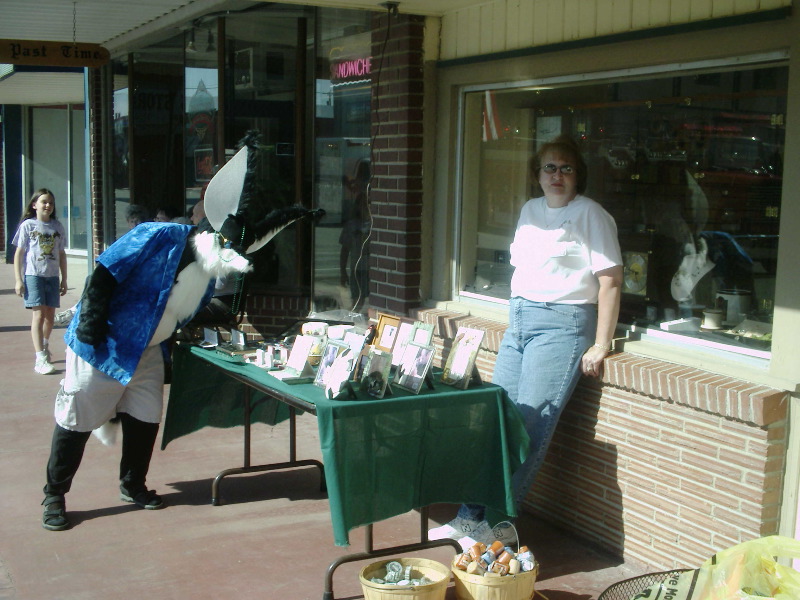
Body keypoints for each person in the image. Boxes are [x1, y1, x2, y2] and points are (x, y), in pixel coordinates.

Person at [429, 135, 623, 547]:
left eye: (566, 168)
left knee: (530, 428)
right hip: (519, 318)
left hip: (564, 325)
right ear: (537, 174)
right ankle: (469, 518)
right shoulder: (530, 211)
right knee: (495, 423)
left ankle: (497, 531)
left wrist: (601, 343)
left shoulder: (591, 215)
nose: (557, 175)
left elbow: (610, 282)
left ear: (578, 176)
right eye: (549, 167)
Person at [12, 189, 68, 375]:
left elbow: (61, 254)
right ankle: (40, 359)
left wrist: (64, 279)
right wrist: (18, 280)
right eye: (44, 202)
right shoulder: (28, 226)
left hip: (52, 276)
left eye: (51, 202)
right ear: (34, 205)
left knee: (50, 317)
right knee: (38, 315)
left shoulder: (58, 227)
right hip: (33, 275)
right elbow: (19, 253)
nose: (48, 205)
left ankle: (44, 345)